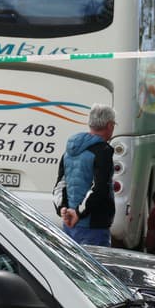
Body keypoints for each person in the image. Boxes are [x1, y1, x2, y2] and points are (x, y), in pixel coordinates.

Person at [53, 103, 116, 246]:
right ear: (110, 125)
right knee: (95, 267)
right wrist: (78, 212)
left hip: (69, 224)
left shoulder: (69, 151)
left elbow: (60, 185)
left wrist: (63, 208)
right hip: (94, 225)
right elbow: (99, 188)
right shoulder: (103, 151)